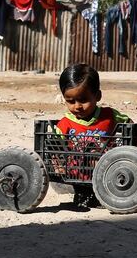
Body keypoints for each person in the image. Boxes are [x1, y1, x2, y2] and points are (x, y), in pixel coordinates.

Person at [56, 63, 132, 206]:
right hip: (78, 173)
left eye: (83, 100)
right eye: (70, 101)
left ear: (97, 96)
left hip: (109, 170)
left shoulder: (109, 115)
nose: (77, 106)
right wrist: (58, 164)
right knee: (84, 200)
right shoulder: (65, 123)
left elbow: (130, 124)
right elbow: (54, 148)